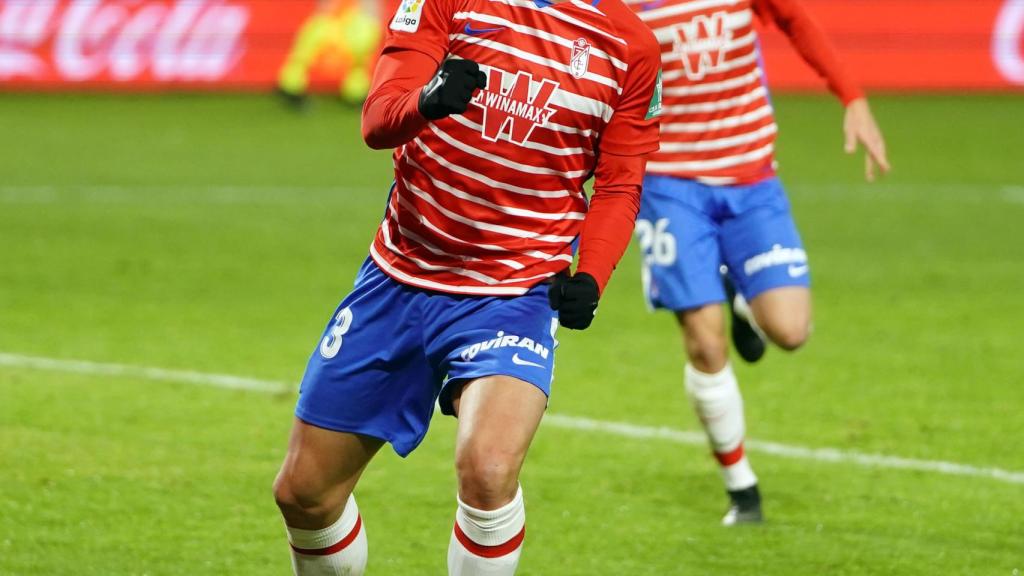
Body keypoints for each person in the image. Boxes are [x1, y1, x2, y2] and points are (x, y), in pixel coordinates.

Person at [271, 0, 663, 572]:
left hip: (514, 292)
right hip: (400, 277)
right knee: (304, 494)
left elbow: (621, 181)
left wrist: (593, 273)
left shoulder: (631, 47)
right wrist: (424, 102)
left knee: (488, 468)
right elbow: (377, 120)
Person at [626, 0, 890, 525]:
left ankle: (736, 290)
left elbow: (795, 19)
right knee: (705, 341)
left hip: (750, 177)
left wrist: (852, 97)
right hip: (670, 183)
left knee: (791, 331)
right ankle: (742, 487)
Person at [276, 0, 383, 107]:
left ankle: (356, 92)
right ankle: (291, 86)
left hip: (355, 23)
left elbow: (373, 13)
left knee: (359, 56)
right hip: (332, 20)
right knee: (309, 44)